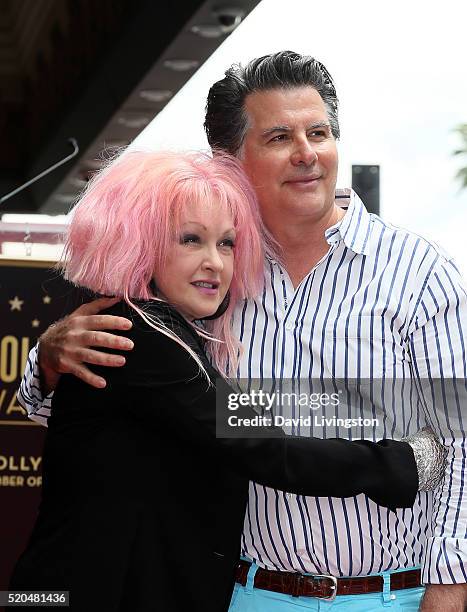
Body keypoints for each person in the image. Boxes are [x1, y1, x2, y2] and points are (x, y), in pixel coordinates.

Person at [18, 52, 466, 611]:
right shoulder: (191, 304)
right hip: (232, 594)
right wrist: (48, 359)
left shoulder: (423, 275)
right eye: (279, 136)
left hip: (390, 597)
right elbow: (247, 435)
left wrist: (450, 587)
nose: (307, 153)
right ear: (229, 160)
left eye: (319, 132)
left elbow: (458, 440)